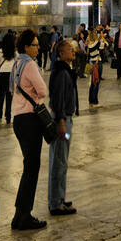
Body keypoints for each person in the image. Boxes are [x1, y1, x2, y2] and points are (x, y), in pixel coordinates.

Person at [11, 29, 50, 229]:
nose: (38, 47)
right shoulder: (31, 65)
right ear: (26, 47)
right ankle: (24, 216)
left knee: (29, 167)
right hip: (30, 120)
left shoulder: (17, 63)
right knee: (32, 168)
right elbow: (43, 90)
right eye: (35, 45)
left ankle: (20, 214)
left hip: (18, 119)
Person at [47, 38, 79, 216]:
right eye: (69, 49)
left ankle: (58, 197)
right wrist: (60, 122)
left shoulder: (65, 71)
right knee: (59, 161)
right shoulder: (61, 73)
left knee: (60, 160)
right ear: (61, 54)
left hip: (65, 120)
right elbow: (57, 100)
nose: (73, 51)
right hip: (62, 122)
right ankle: (56, 203)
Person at [0, 32, 16, 122]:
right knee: (9, 96)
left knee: (1, 95)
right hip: (11, 74)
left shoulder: (0, 51)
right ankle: (8, 116)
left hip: (2, 73)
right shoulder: (15, 52)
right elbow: (16, 65)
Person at [86, 27, 106, 107]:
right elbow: (105, 45)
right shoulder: (97, 43)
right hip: (97, 64)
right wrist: (102, 37)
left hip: (92, 63)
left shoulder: (89, 44)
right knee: (96, 82)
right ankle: (95, 102)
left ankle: (91, 101)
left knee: (92, 83)